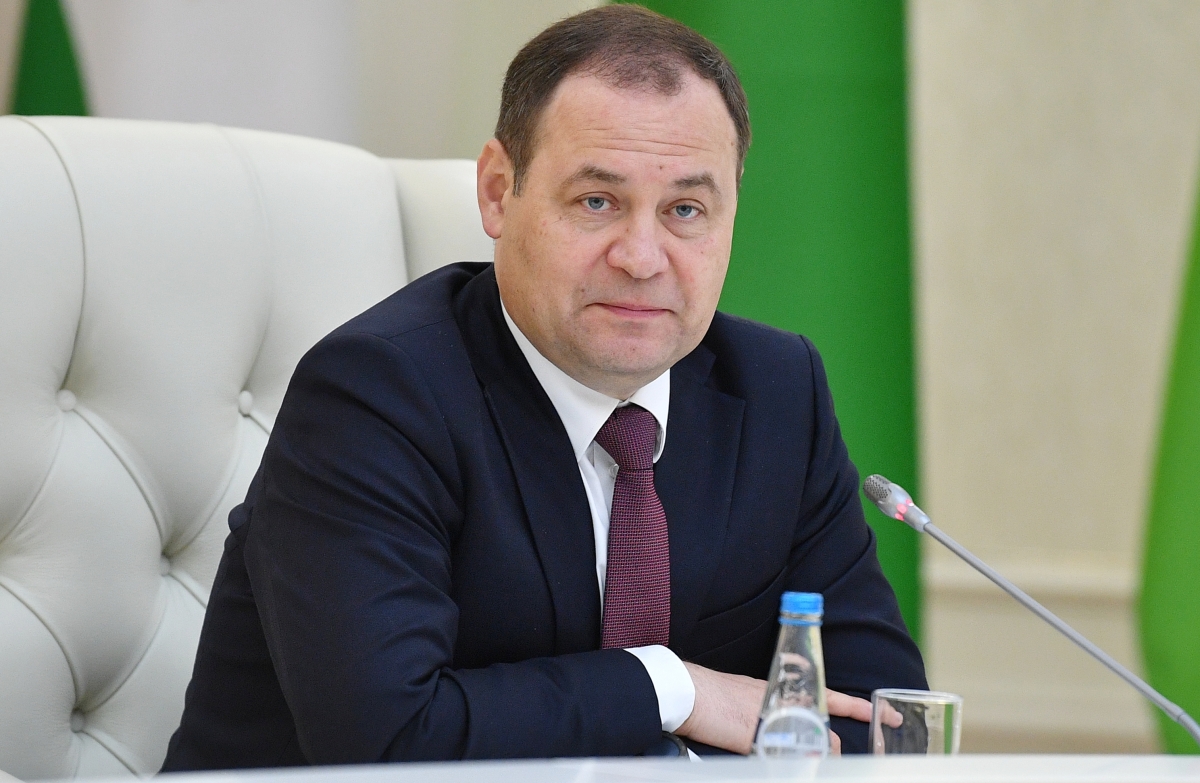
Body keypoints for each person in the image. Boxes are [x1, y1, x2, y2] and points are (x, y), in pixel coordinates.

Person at [162, 5, 925, 770]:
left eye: (686, 210)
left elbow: (881, 719)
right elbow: (390, 739)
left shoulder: (776, 391)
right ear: (498, 191)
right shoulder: (374, 396)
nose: (641, 257)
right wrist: (675, 687)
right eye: (597, 201)